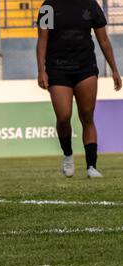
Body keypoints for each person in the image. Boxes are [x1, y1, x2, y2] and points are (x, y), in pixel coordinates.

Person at [37, 0, 122, 178]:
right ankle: (67, 155)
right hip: (58, 69)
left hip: (85, 68)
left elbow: (103, 40)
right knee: (63, 116)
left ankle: (91, 166)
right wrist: (41, 71)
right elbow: (42, 40)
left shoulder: (91, 5)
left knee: (87, 116)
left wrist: (114, 69)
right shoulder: (48, 7)